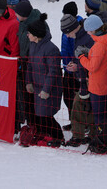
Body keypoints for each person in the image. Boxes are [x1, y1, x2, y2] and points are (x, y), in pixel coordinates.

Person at [24, 15, 64, 144]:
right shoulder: (33, 45)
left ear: (36, 35)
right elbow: (30, 64)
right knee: (40, 114)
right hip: (37, 86)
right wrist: (28, 81)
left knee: (46, 115)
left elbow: (53, 72)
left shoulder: (51, 49)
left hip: (49, 88)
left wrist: (46, 90)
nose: (27, 35)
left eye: (29, 33)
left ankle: (58, 137)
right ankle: (45, 135)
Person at [77, 14, 107, 125]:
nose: (87, 33)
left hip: (98, 86)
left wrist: (81, 57)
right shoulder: (106, 40)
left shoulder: (100, 45)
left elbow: (92, 67)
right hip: (106, 82)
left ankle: (104, 137)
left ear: (93, 31)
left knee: (99, 116)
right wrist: (89, 53)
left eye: (88, 31)